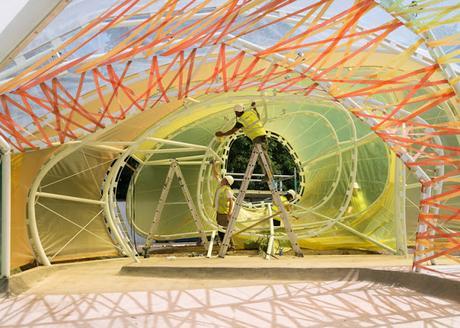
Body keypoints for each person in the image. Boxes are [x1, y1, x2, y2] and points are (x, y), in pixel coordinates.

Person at [215, 101, 272, 178]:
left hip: (256, 137)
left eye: (235, 112)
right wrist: (254, 108)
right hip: (262, 134)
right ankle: (268, 174)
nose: (235, 114)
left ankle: (269, 174)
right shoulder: (251, 113)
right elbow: (258, 116)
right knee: (262, 156)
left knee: (263, 157)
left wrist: (222, 134)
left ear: (237, 112)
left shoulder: (241, 120)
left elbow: (232, 131)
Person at [211, 160, 235, 246]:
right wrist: (214, 165)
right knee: (221, 229)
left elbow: (231, 201)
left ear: (227, 182)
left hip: (224, 213)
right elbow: (216, 175)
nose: (222, 179)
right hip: (220, 211)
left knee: (223, 230)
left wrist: (230, 212)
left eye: (224, 179)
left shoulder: (227, 190)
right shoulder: (221, 186)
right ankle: (227, 245)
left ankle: (229, 246)